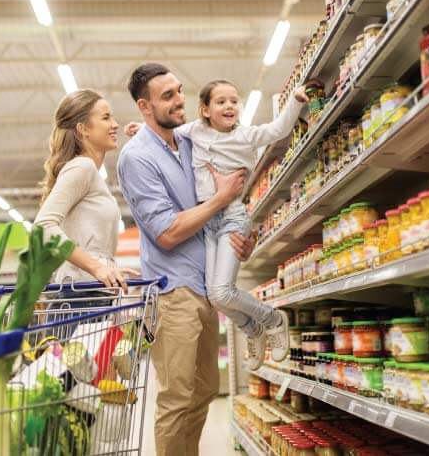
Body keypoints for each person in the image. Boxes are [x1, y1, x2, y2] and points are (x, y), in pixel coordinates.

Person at [124, 79, 311, 370]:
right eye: (221, 102)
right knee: (216, 296)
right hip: (206, 222)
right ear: (205, 110)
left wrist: (297, 101)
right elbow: (161, 132)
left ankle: (272, 319)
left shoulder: (246, 135)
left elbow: (278, 129)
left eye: (234, 101)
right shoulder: (193, 131)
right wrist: (139, 129)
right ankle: (252, 328)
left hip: (233, 217)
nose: (229, 106)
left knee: (222, 291)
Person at [117, 63, 254, 456]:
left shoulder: (190, 141)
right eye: (167, 96)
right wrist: (220, 199)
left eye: (179, 91)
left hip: (206, 283)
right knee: (177, 396)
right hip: (172, 291)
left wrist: (241, 231)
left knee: (206, 388)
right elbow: (167, 231)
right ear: (145, 107)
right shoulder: (137, 158)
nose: (180, 101)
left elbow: (225, 193)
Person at [34, 89, 139, 295]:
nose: (115, 124)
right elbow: (43, 227)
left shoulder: (91, 174)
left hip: (90, 289)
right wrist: (97, 266)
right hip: (83, 292)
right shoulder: (82, 167)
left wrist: (106, 264)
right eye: (106, 117)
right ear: (83, 129)